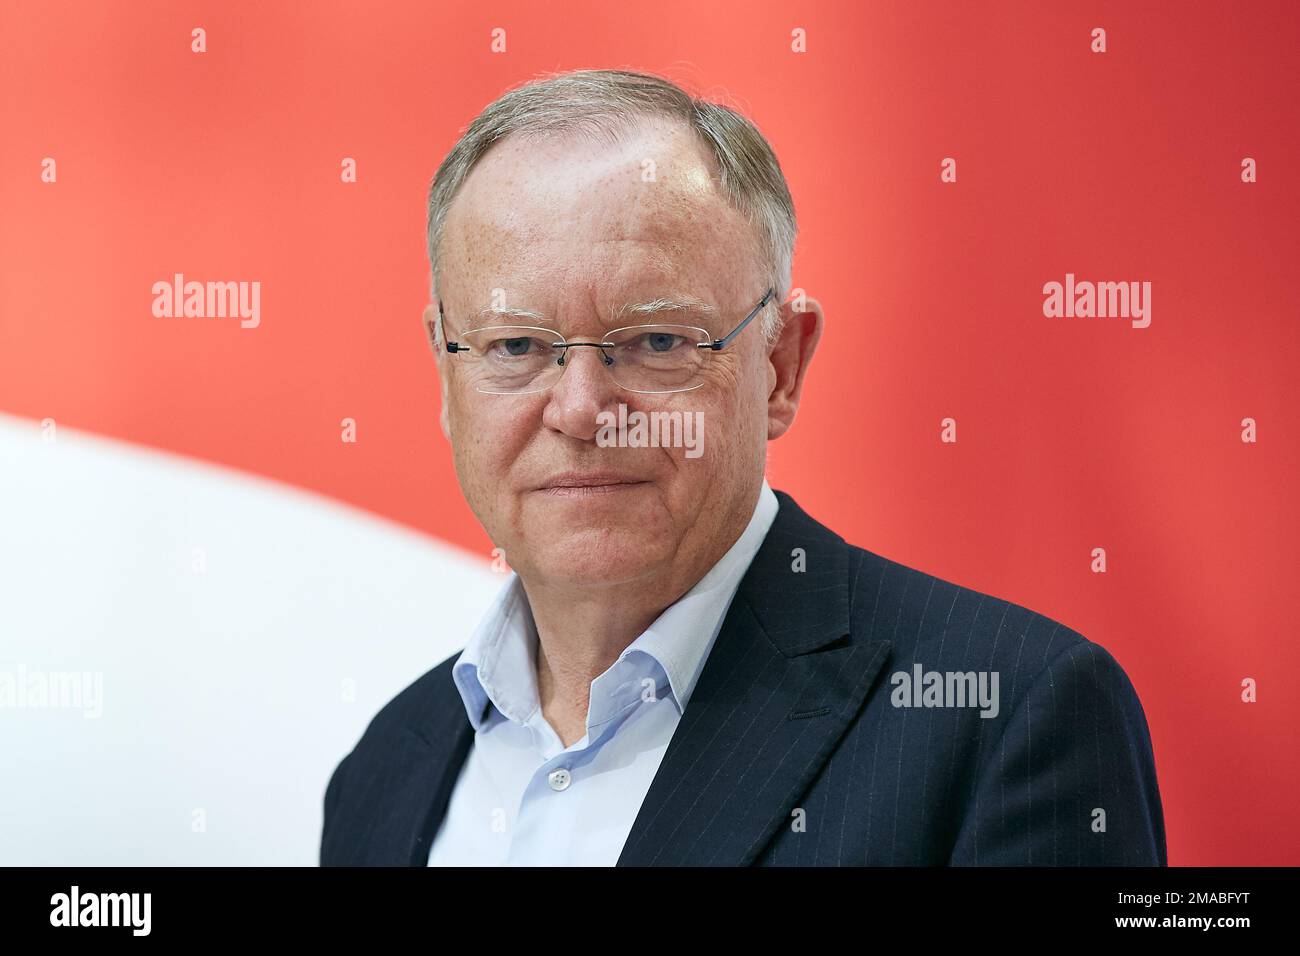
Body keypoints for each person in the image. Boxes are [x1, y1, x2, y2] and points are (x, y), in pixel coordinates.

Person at [320, 68, 1167, 866]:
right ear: (446, 372)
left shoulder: (1005, 716)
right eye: (514, 345)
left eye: (656, 342)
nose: (581, 411)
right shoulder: (385, 771)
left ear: (780, 367)